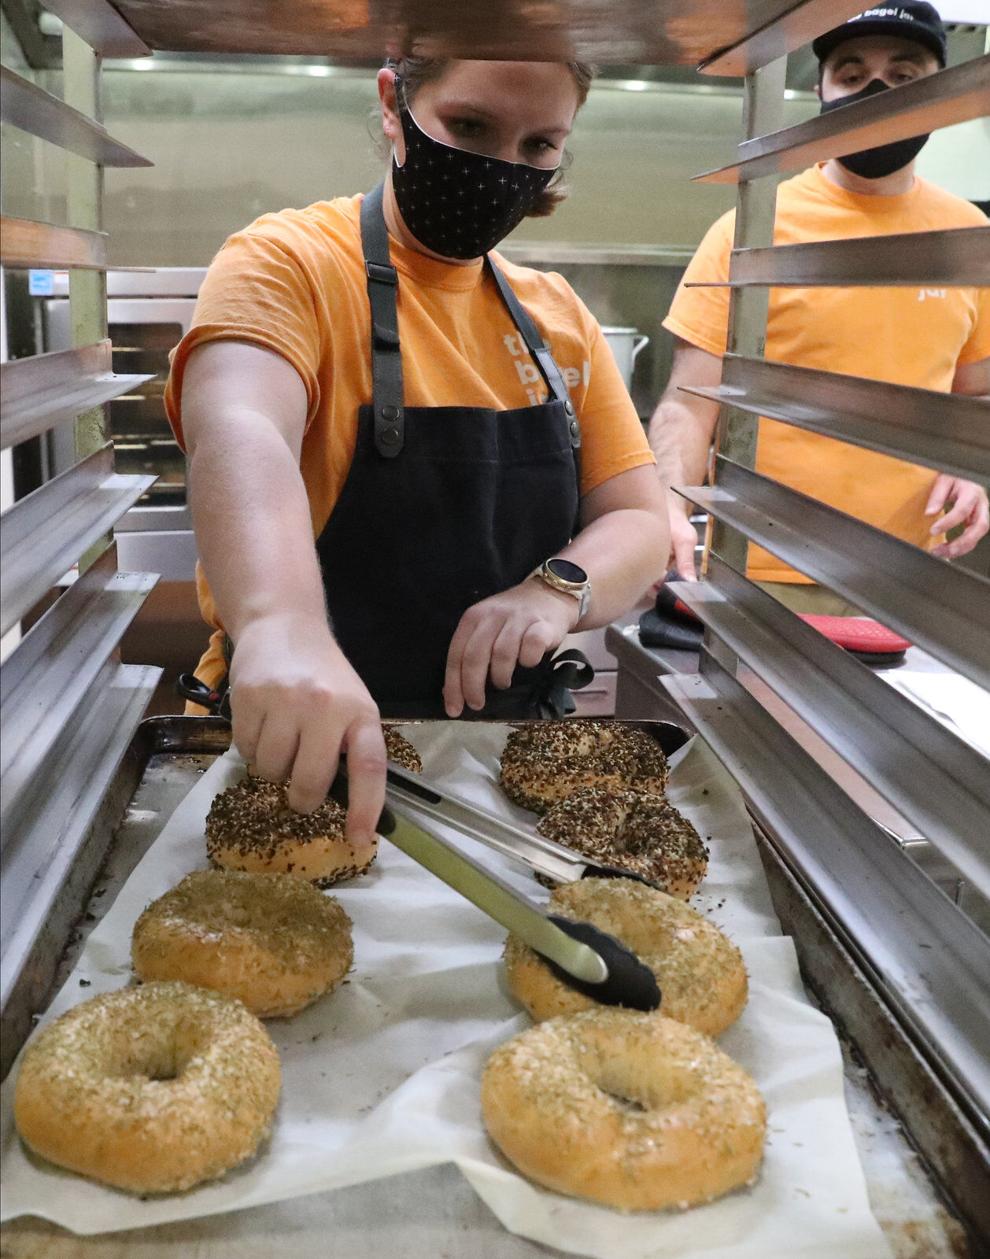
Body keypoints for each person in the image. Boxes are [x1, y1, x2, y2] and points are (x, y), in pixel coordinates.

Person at [165, 56, 668, 842]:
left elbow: (639, 518)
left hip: (505, 759)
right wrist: (278, 622)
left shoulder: (557, 317)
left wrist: (556, 588)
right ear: (394, 102)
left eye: (538, 146)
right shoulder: (290, 261)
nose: (499, 170)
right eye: (469, 127)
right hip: (296, 755)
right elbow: (240, 427)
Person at [649, 1, 989, 612]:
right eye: (853, 75)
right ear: (821, 90)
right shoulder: (751, 228)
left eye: (904, 75)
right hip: (754, 566)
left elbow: (974, 396)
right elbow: (689, 404)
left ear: (942, 90)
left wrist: (972, 467)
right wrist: (665, 510)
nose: (877, 90)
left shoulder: (968, 240)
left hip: (905, 574)